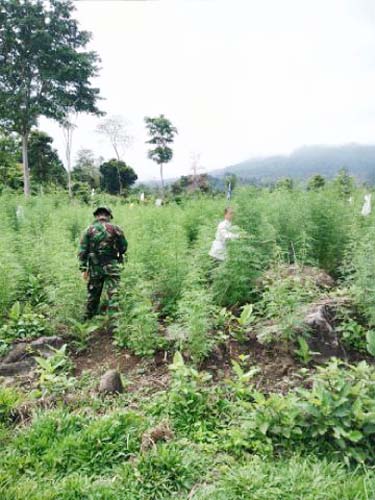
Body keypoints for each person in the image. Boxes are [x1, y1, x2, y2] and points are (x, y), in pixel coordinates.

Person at [78, 206, 127, 320]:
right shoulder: (116, 229)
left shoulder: (88, 230)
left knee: (93, 295)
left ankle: (88, 320)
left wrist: (83, 269)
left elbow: (82, 251)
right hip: (112, 266)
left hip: (95, 268)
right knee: (114, 294)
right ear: (109, 216)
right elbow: (123, 247)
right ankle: (115, 322)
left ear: (96, 216)